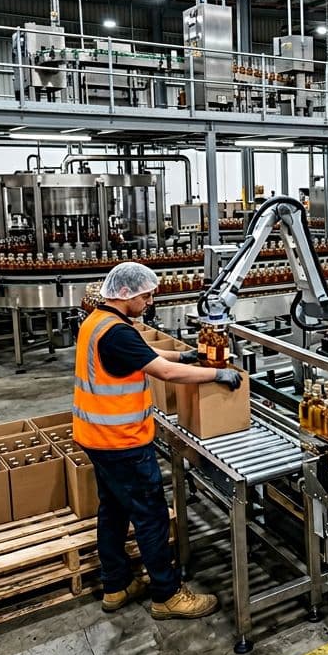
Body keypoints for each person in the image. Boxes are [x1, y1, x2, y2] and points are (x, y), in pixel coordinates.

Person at [73, 261, 243, 620]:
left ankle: (115, 586)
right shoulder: (116, 332)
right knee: (151, 517)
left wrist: (186, 355)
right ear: (126, 294)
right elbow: (161, 371)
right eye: (146, 296)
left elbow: (146, 354)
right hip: (122, 442)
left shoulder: (100, 322)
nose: (150, 302)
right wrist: (215, 373)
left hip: (96, 437)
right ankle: (166, 595)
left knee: (114, 510)